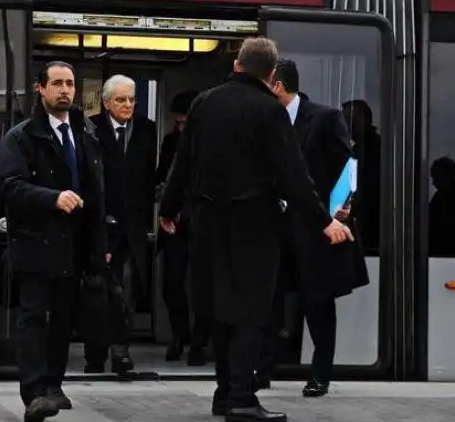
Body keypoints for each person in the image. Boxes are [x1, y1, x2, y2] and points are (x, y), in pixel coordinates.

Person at [159, 37, 354, 422]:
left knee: (217, 309)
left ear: (237, 66)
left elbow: (182, 162)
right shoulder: (269, 110)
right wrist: (324, 221)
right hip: (254, 227)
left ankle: (223, 393)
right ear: (270, 74)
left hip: (207, 224)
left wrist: (169, 208)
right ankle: (242, 399)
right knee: (250, 312)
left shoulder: (204, 103)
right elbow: (294, 177)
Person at [0, 61, 109, 422]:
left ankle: (53, 385)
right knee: (33, 317)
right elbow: (10, 186)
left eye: (70, 84)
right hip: (36, 242)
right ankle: (33, 393)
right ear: (40, 89)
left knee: (63, 319)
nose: (65, 90)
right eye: (57, 83)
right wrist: (52, 197)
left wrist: (100, 242)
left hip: (74, 243)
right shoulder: (21, 136)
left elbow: (98, 191)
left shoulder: (85, 131)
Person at [256, 58, 369, 397]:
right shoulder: (265, 121)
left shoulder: (323, 117)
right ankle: (262, 370)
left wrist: (342, 210)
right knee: (269, 301)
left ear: (277, 86)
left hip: (313, 230)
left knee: (316, 302)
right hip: (275, 230)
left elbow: (347, 166)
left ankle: (320, 373)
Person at [85, 74, 157, 374]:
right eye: (121, 100)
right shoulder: (91, 128)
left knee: (125, 287)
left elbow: (148, 177)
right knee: (98, 290)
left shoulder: (147, 130)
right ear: (106, 102)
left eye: (131, 100)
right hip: (101, 223)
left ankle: (120, 351)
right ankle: (95, 354)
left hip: (134, 226)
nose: (128, 105)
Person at [157, 90, 212, 365]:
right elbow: (164, 176)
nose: (180, 128)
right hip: (176, 222)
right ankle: (181, 333)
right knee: (172, 282)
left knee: (203, 284)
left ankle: (199, 342)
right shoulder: (171, 143)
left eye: (184, 123)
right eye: (177, 124)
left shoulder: (213, 144)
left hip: (203, 222)